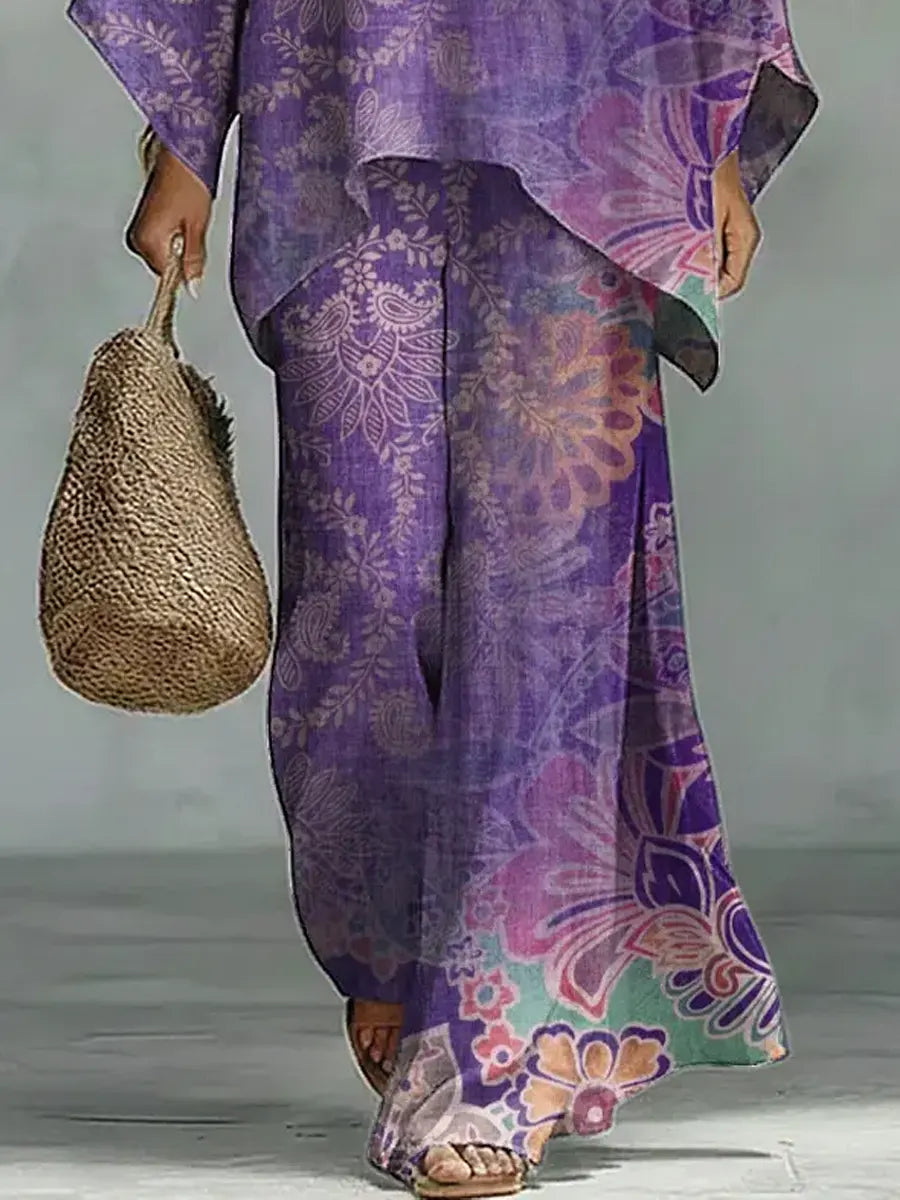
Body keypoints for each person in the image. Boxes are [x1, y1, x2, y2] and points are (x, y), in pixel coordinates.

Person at [66, 2, 818, 1196]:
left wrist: (710, 128)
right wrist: (183, 141)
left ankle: (486, 1049)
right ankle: (396, 942)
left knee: (548, 604)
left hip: (593, 123)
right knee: (361, 589)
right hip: (336, 114)